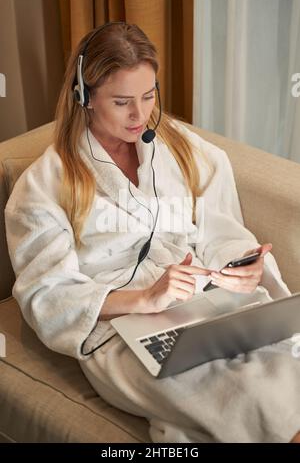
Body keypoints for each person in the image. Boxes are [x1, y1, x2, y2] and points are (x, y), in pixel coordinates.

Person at [4, 22, 300, 443]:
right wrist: (144, 298)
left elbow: (220, 230)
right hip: (122, 331)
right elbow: (46, 296)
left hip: (207, 304)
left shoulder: (181, 148)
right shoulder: (43, 186)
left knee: (289, 366)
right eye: (122, 101)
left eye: (148, 95)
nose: (140, 115)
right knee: (247, 396)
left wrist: (239, 265)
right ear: (84, 97)